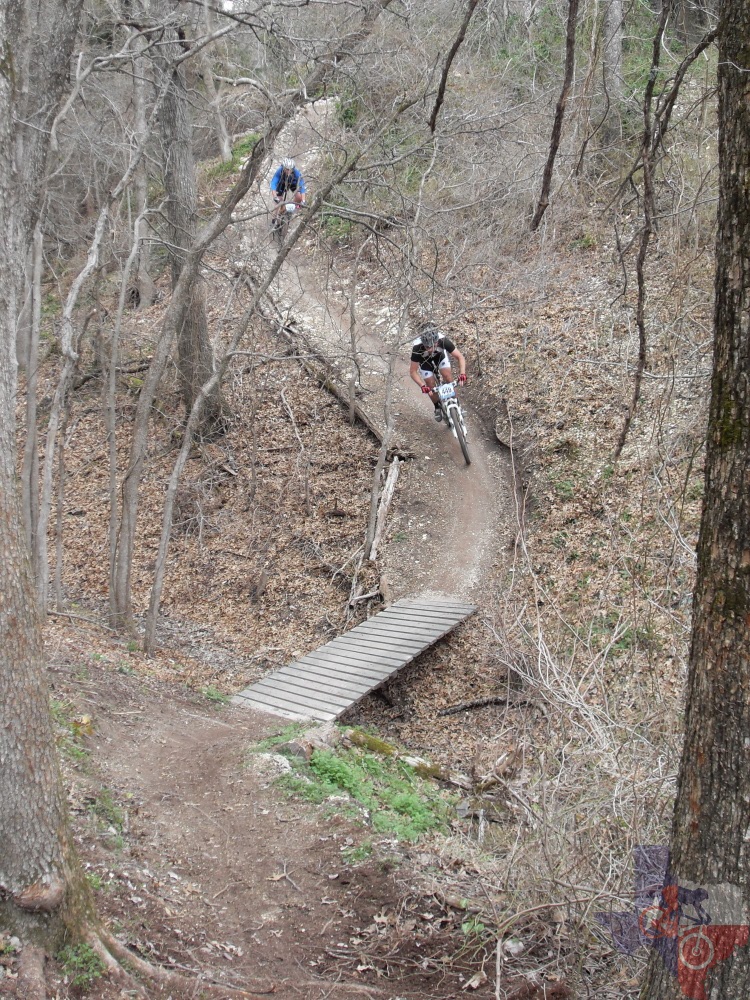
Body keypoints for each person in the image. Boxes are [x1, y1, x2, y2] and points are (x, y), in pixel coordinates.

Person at [409, 321, 467, 422]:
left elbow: (460, 357)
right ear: (422, 342)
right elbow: (413, 371)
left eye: (434, 345)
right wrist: (423, 386)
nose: (431, 349)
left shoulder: (443, 340)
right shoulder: (417, 348)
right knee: (430, 384)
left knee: (447, 376)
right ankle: (437, 407)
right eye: (427, 347)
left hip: (440, 357)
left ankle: (457, 403)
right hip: (425, 362)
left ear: (437, 340)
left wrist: (462, 374)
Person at [270, 157, 307, 225]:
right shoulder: (279, 171)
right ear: (283, 168)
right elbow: (273, 183)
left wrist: (303, 200)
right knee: (279, 200)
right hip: (282, 183)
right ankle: (274, 217)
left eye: (290, 169)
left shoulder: (296, 172)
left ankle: (289, 209)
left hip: (292, 183)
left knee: (299, 197)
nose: (288, 171)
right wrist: (275, 196)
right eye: (287, 169)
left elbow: (302, 186)